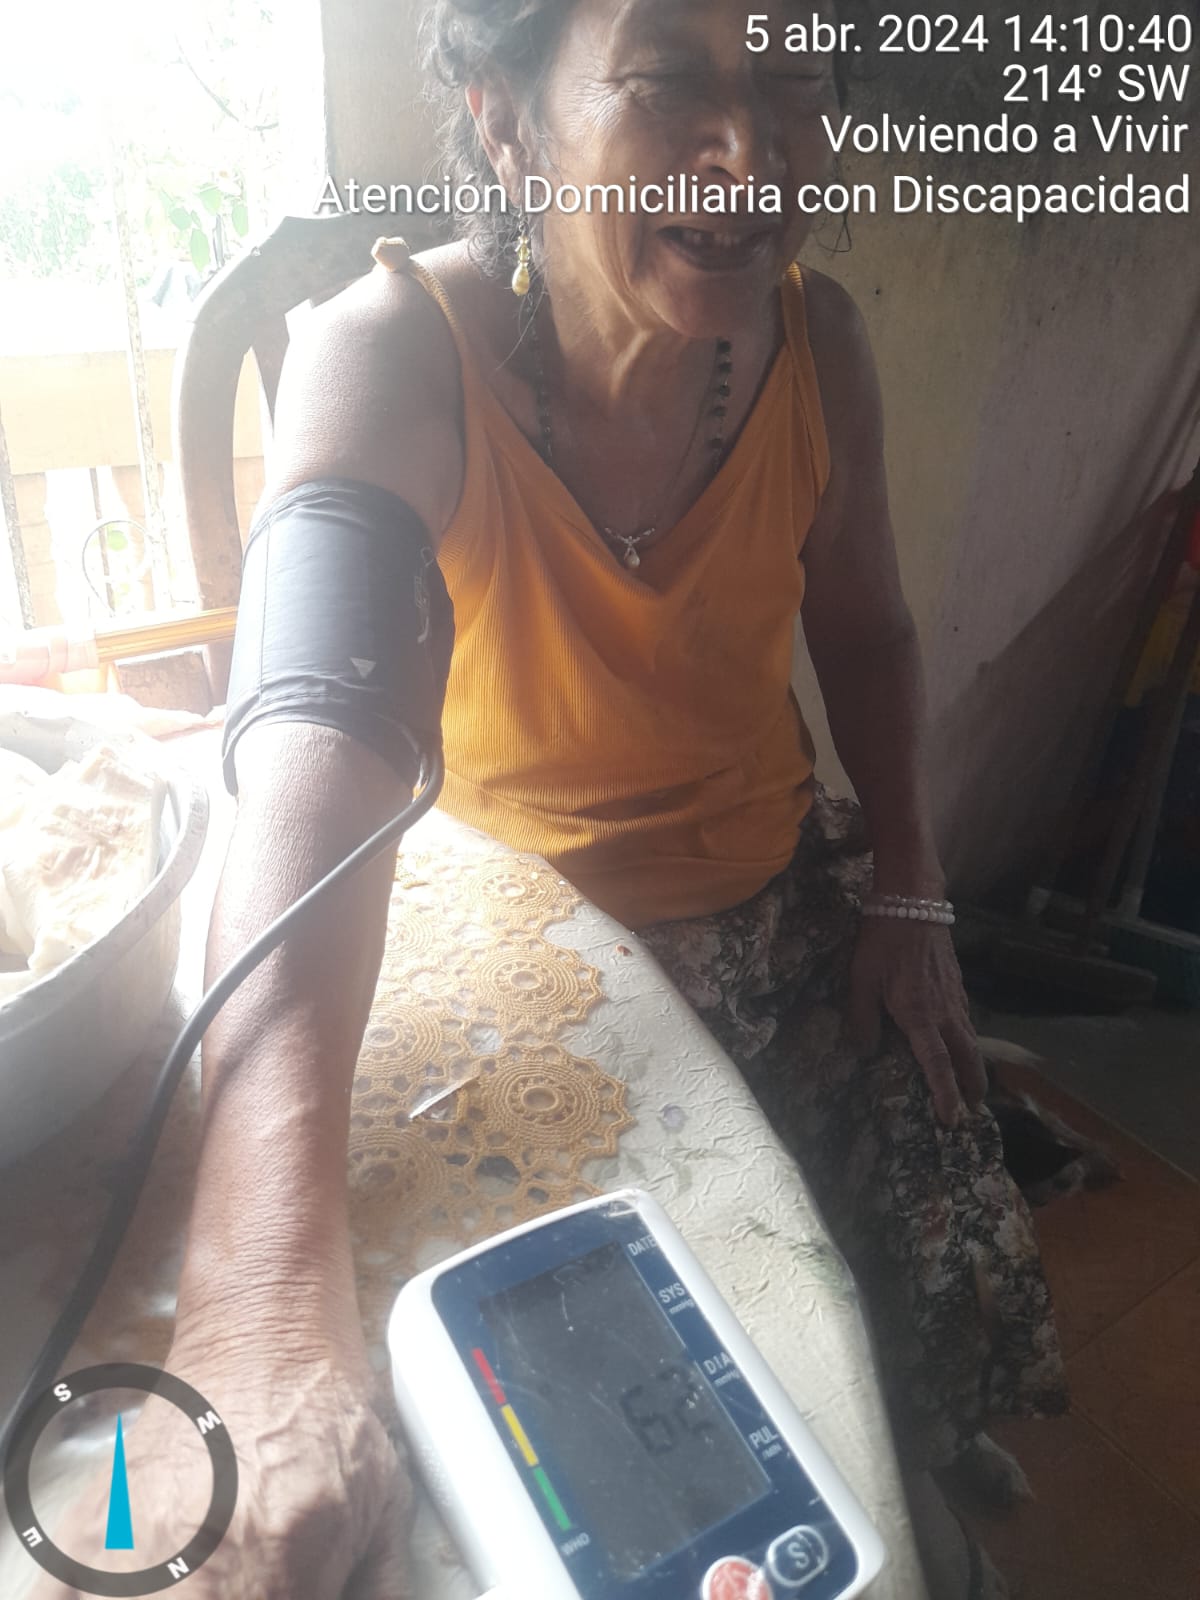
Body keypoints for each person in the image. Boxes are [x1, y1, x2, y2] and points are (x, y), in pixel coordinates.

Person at [34, 2, 1064, 1597]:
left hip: (786, 902)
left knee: (935, 1270)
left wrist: (911, 892)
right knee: (592, 1409)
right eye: (670, 79)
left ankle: (906, 1449)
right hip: (531, 966)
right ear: (507, 121)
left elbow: (867, 629)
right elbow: (311, 739)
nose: (751, 156)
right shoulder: (388, 354)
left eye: (794, 82)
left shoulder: (823, 346)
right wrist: (252, 1312)